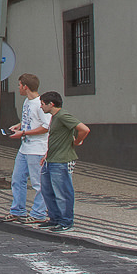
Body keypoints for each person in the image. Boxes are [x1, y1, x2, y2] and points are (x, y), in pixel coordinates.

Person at [34, 90, 90, 234]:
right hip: (51, 159)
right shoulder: (55, 117)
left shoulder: (63, 115)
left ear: (51, 104)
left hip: (62, 161)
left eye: (42, 104)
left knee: (62, 192)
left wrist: (77, 142)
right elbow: (56, 138)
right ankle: (55, 218)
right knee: (47, 190)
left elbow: (84, 129)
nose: (41, 107)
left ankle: (66, 221)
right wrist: (46, 154)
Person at [1, 73, 51, 224]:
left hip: (37, 149)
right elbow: (29, 120)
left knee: (38, 183)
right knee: (17, 179)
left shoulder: (40, 104)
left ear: (25, 86)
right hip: (25, 148)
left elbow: (46, 127)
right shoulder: (27, 102)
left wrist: (23, 132)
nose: (18, 88)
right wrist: (19, 125)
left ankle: (38, 213)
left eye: (19, 85)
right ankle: (18, 210)